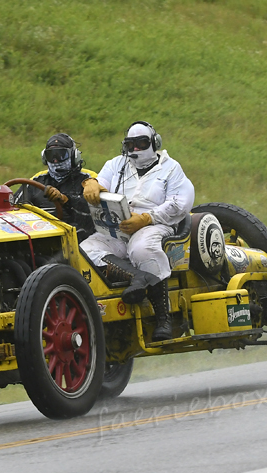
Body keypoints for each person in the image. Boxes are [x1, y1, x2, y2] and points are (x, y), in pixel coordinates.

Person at [80, 121, 195, 341]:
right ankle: (139, 279)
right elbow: (100, 182)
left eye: (142, 143)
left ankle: (164, 318)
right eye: (131, 145)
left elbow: (181, 202)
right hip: (118, 226)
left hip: (155, 224)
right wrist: (92, 184)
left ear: (154, 143)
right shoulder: (116, 164)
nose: (136, 150)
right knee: (86, 250)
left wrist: (146, 218)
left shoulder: (171, 168)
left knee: (142, 249)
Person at [13, 133, 96, 242]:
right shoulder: (36, 180)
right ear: (44, 158)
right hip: (40, 235)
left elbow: (92, 217)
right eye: (51, 156)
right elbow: (13, 208)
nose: (55, 161)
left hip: (76, 239)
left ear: (74, 156)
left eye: (61, 155)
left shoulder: (90, 180)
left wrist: (65, 200)